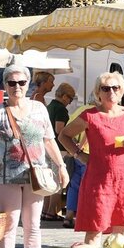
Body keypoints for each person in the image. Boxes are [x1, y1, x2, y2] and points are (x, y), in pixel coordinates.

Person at [0, 65, 69, 248]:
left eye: (21, 82)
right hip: (5, 176)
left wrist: (61, 166)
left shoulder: (39, 109)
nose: (16, 87)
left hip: (35, 174)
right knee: (9, 223)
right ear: (5, 85)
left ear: (28, 84)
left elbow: (48, 140)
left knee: (33, 224)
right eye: (11, 83)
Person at [59, 72, 124, 247]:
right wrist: (79, 155)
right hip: (98, 182)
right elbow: (64, 136)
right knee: (94, 231)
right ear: (98, 92)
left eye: (115, 88)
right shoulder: (89, 116)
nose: (111, 92)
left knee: (123, 233)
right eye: (105, 88)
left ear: (122, 91)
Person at [42, 83, 77, 222]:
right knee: (58, 182)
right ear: (64, 96)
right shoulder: (61, 110)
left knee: (48, 181)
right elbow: (59, 130)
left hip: (47, 147)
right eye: (70, 98)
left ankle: (45, 211)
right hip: (59, 148)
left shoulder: (49, 107)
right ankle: (52, 212)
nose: (70, 102)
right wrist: (72, 138)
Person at [61, 95, 96, 229]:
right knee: (88, 186)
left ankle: (69, 215)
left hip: (77, 154)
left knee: (74, 185)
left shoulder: (80, 109)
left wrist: (75, 149)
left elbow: (68, 130)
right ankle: (84, 216)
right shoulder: (96, 111)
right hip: (90, 154)